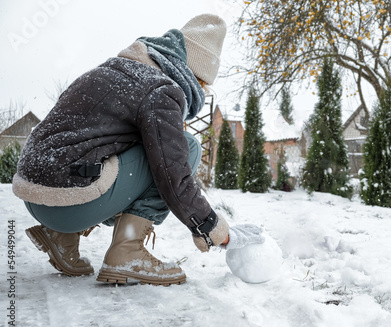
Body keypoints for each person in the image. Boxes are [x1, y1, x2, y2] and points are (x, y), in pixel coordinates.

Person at [12, 14, 264, 286]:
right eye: (202, 84)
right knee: (186, 146)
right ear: (193, 72)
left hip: (36, 198)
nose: (200, 94)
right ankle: (127, 250)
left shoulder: (113, 70)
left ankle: (61, 236)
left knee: (124, 146)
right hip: (70, 203)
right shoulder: (161, 89)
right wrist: (213, 228)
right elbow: (173, 174)